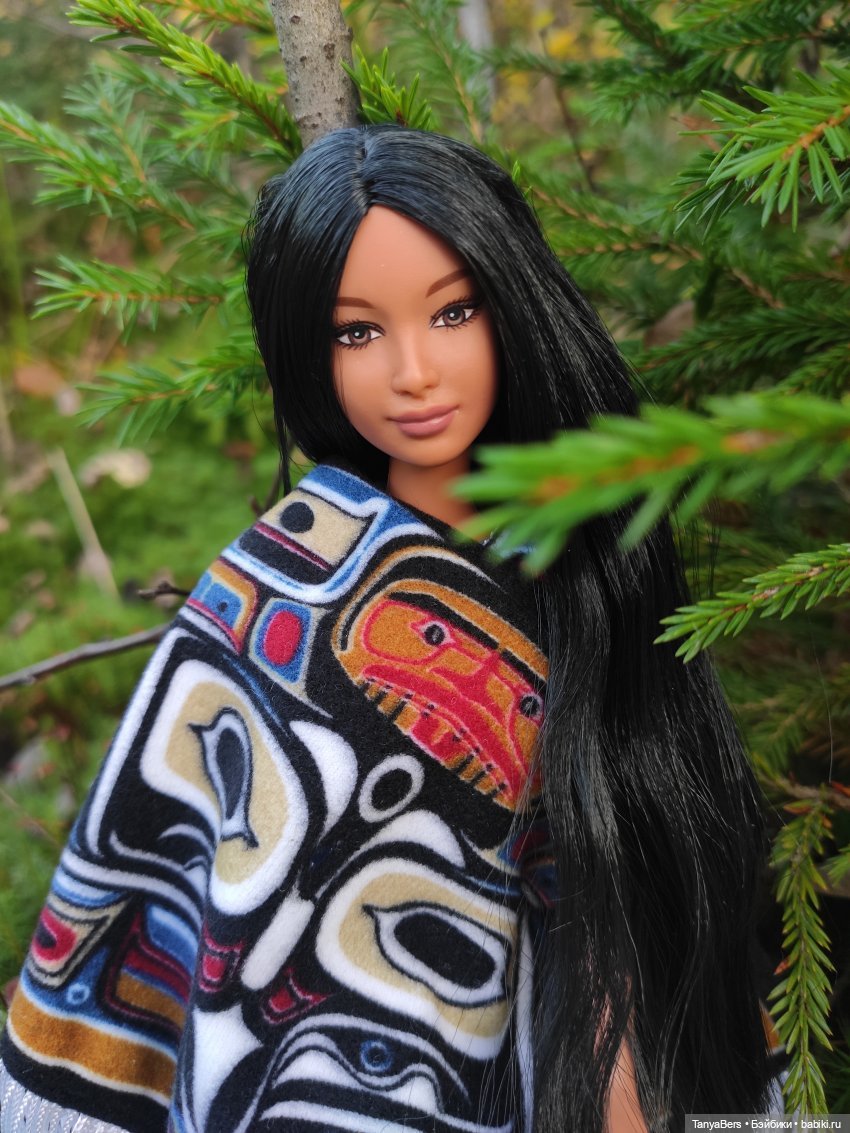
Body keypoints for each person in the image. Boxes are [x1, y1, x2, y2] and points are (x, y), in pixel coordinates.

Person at [0, 125, 771, 1133]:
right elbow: (161, 854)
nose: (415, 371)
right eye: (356, 333)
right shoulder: (276, 589)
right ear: (305, 349)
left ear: (513, 303)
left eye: (453, 311)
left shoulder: (595, 564)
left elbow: (634, 871)